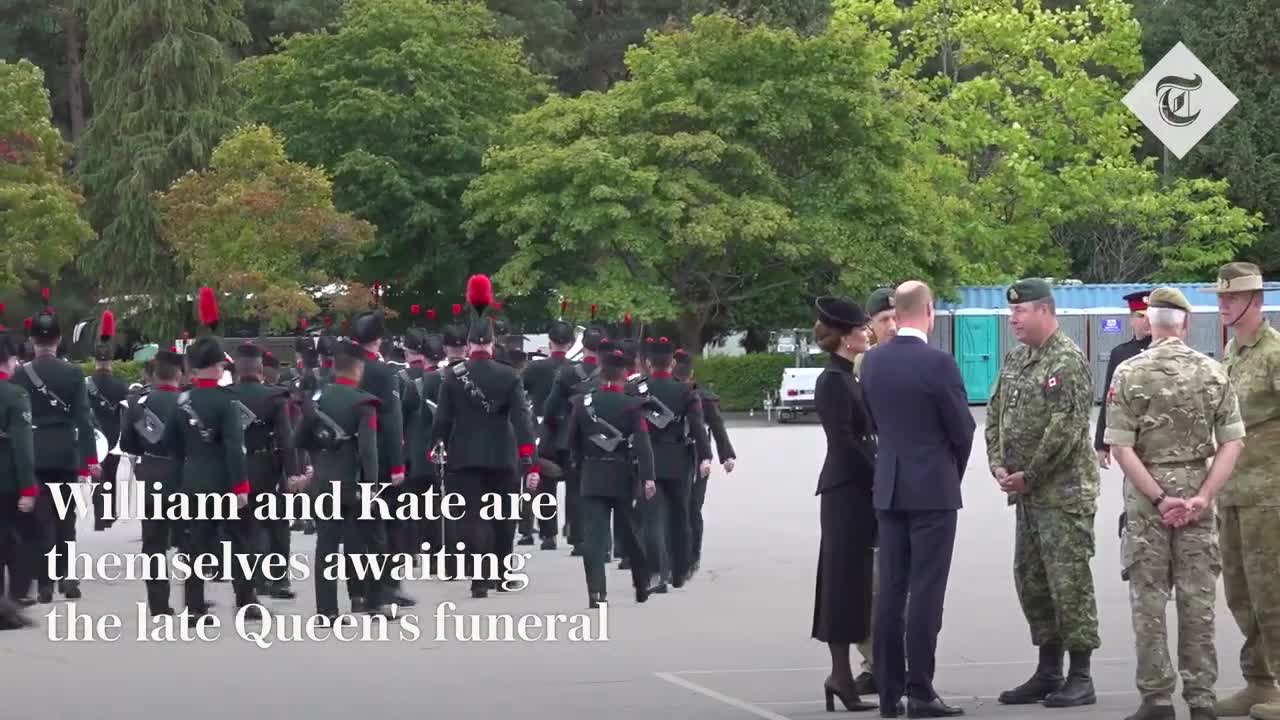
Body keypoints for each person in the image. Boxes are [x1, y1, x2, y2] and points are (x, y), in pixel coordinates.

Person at [1105, 287, 1245, 720]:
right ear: (1185, 324)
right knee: (1197, 600)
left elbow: (1121, 449)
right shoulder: (1214, 372)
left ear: (1150, 321)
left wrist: (1160, 498)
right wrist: (1202, 495)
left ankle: (1156, 699)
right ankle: (1201, 699)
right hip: (1197, 496)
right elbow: (1233, 442)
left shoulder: (1128, 373)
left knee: (1148, 600)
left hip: (1149, 502)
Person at [860, 281, 974, 718]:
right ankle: (920, 689)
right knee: (926, 591)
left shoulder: (871, 363)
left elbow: (873, 422)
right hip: (932, 490)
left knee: (890, 591)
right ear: (928, 311)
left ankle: (888, 693)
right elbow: (962, 431)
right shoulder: (938, 364)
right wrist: (949, 474)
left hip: (889, 487)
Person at [986, 278, 1100, 708]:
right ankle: (1048, 669)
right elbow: (995, 413)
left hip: (1062, 495)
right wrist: (998, 463)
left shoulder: (1067, 361)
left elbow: (1067, 429)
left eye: (1022, 310)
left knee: (1068, 582)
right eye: (1011, 311)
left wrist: (1029, 474)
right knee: (1032, 581)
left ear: (1046, 312)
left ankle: (1081, 674)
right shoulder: (1017, 359)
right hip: (1027, 496)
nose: (1013, 318)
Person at [1202, 262, 1280, 719]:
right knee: (1240, 592)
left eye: (1231, 298)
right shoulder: (1232, 352)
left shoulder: (1273, 353)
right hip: (1233, 493)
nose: (1223, 305)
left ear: (1255, 300)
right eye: (1220, 297)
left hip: (1270, 496)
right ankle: (1259, 683)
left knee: (1273, 592)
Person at [431, 275, 538, 598]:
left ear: (468, 344)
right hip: (502, 455)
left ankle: (479, 580)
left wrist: (436, 446)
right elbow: (521, 418)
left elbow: (443, 418)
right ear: (491, 344)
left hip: (463, 455)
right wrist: (527, 455)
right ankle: (503, 574)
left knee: (472, 519)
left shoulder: (452, 376)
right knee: (503, 516)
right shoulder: (508, 375)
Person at [165, 288, 257, 626]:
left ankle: (193, 606)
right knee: (239, 544)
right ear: (217, 367)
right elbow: (234, 448)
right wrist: (241, 486)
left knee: (195, 546)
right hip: (224, 483)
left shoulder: (181, 401)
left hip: (192, 482)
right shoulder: (227, 402)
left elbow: (171, 446)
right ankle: (246, 601)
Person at [809, 296, 879, 713]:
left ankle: (842, 675)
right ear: (844, 337)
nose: (867, 333)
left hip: (857, 488)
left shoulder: (848, 376)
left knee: (854, 583)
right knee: (842, 583)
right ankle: (840, 674)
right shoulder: (833, 381)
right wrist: (879, 475)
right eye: (861, 329)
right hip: (846, 490)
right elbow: (845, 441)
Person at [12, 291, 99, 604]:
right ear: (59, 339)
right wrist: (90, 459)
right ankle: (67, 575)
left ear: (32, 339)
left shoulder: (20, 375)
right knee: (66, 520)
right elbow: (84, 420)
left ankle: (45, 582)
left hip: (33, 453)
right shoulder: (74, 373)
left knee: (40, 521)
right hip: (65, 453)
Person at [293, 340, 389, 622]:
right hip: (352, 483)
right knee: (365, 543)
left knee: (326, 545)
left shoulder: (317, 401)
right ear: (358, 368)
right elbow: (369, 451)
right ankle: (369, 602)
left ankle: (327, 609)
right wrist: (371, 487)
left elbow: (299, 438)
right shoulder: (363, 402)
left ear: (334, 367)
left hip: (323, 481)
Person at [566, 341, 656, 608]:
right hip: (623, 474)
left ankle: (596, 592)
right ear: (624, 375)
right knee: (632, 533)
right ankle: (641, 584)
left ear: (601, 372)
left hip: (593, 474)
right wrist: (648, 477)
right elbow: (642, 443)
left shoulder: (582, 404)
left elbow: (573, 442)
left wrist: (581, 466)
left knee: (594, 537)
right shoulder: (631, 405)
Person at [850, 285, 897, 695]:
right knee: (869, 578)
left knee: (901, 581)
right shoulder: (861, 366)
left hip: (905, 486)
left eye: (898, 317)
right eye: (885, 320)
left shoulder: (922, 361)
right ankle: (872, 662)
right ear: (871, 326)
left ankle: (900, 663)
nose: (893, 326)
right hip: (868, 482)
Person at [350, 309, 412, 608]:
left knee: (357, 526)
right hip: (382, 457)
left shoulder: (343, 369)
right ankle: (387, 585)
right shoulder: (385, 373)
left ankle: (358, 589)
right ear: (379, 340)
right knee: (388, 525)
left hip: (348, 457)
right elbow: (392, 420)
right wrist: (398, 463)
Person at [230, 342, 301, 600]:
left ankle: (253, 581)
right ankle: (278, 579)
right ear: (261, 370)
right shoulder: (274, 397)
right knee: (277, 524)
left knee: (246, 527)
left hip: (236, 468)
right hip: (268, 466)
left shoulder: (226, 395)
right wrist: (292, 473)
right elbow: (286, 437)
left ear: (237, 370)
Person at [639, 336, 711, 591]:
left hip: (649, 459)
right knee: (680, 517)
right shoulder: (686, 391)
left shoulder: (638, 389)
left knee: (651, 518)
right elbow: (698, 428)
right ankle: (680, 572)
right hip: (679, 458)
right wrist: (705, 456)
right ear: (671, 364)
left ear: (648, 363)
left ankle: (657, 571)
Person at [119, 347, 186, 616]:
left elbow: (128, 445)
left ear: (154, 374)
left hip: (154, 475)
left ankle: (158, 603)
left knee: (154, 543)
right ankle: (195, 599)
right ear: (179, 373)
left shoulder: (138, 404)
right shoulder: (189, 400)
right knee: (190, 540)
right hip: (186, 476)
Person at [541, 308, 607, 556]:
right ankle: (578, 537)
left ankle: (548, 534)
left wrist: (554, 422)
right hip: (598, 436)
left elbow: (550, 407)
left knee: (552, 485)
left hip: (566, 435)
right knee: (577, 488)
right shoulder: (608, 374)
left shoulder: (568, 372)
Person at [672, 348, 734, 579]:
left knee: (685, 507)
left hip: (693, 458)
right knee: (691, 508)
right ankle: (690, 557)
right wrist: (727, 456)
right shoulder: (694, 395)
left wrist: (726, 454)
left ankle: (687, 556)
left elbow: (716, 426)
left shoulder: (700, 397)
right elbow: (718, 427)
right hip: (694, 458)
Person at [520, 308, 575, 550]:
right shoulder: (579, 369)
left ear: (550, 341)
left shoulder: (535, 368)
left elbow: (520, 394)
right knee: (576, 484)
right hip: (574, 431)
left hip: (545, 430)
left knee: (545, 486)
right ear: (571, 342)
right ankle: (575, 530)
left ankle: (548, 533)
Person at [0, 332, 38, 629]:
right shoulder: (14, 395)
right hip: (7, 482)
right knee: (17, 542)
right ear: (9, 360)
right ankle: (12, 602)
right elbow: (22, 447)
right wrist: (28, 487)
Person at [1096, 290, 1153, 468]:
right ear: (1131, 319)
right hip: (1130, 439)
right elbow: (1109, 398)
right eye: (1140, 315)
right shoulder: (1120, 353)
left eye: (1151, 315)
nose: (1147, 320)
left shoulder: (1166, 351)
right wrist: (1101, 443)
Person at [87, 310, 127, 532]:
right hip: (114, 435)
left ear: (94, 360)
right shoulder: (120, 385)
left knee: (96, 476)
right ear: (111, 361)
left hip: (94, 435)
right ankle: (110, 513)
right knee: (110, 476)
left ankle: (98, 516)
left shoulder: (85, 384)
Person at [855, 287, 897, 378]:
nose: (893, 327)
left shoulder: (918, 358)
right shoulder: (862, 361)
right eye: (884, 320)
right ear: (871, 323)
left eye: (896, 318)